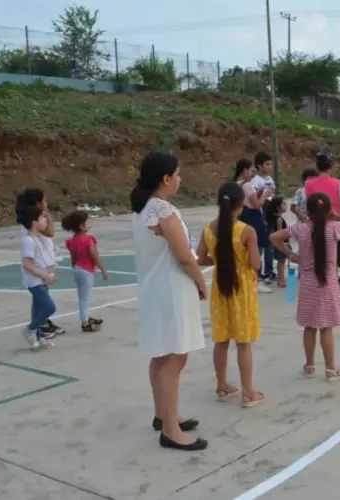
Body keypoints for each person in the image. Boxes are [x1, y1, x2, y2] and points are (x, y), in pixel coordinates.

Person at [131, 150, 207, 451]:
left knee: (162, 354)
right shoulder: (162, 209)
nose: (180, 179)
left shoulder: (143, 208)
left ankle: (164, 415)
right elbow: (184, 257)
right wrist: (202, 282)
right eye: (177, 174)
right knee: (176, 356)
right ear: (165, 178)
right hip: (172, 289)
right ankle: (171, 430)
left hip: (155, 288)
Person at [270, 193, 340, 381]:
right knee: (326, 327)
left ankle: (310, 364)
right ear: (328, 209)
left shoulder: (301, 228)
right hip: (327, 283)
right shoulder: (335, 227)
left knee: (310, 326)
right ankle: (330, 368)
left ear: (307, 210)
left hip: (308, 282)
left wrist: (291, 254)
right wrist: (336, 216)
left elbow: (274, 237)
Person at [197, 182, 266, 408]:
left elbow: (201, 259)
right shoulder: (246, 231)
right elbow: (255, 263)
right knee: (244, 343)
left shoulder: (208, 229)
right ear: (240, 205)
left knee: (222, 340)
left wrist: (218, 260)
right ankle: (248, 393)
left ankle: (222, 386)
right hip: (242, 289)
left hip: (220, 288)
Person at [16, 189, 65, 336]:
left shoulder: (35, 219)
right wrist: (47, 217)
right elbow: (50, 232)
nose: (47, 203)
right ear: (38, 203)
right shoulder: (35, 219)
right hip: (37, 269)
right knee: (44, 303)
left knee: (40, 298)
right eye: (45, 200)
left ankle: (38, 327)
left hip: (42, 265)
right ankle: (36, 326)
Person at [16, 204, 57, 350]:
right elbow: (27, 264)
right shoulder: (28, 241)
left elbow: (42, 260)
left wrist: (49, 273)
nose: (45, 221)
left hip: (41, 279)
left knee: (38, 309)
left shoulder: (37, 239)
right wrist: (45, 275)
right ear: (34, 223)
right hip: (34, 281)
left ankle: (39, 337)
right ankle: (30, 330)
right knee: (49, 307)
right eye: (42, 218)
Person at [61, 210, 109, 332]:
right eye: (88, 223)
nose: (90, 225)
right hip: (86, 270)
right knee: (84, 298)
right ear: (81, 226)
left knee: (83, 296)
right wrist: (103, 269)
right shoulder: (88, 240)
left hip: (77, 269)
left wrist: (74, 268)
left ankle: (86, 317)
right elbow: (94, 255)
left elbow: (73, 257)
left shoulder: (72, 241)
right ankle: (85, 323)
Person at [306, 152, 340, 283]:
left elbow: (308, 203)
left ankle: (317, 277)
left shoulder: (309, 184)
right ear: (331, 166)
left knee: (317, 251)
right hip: (333, 223)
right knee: (333, 253)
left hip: (315, 223)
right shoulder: (337, 183)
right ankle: (333, 278)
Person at [234, 158, 273, 293]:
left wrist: (257, 194)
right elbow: (256, 205)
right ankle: (255, 279)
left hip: (242, 218)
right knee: (255, 249)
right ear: (244, 170)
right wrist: (264, 195)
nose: (251, 173)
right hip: (253, 218)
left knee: (244, 249)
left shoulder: (235, 184)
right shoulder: (247, 185)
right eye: (250, 170)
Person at [250, 152, 277, 282]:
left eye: (270, 164)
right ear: (259, 166)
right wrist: (263, 197)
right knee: (259, 244)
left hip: (270, 214)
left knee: (270, 244)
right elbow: (254, 199)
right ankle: (257, 270)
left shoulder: (270, 180)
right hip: (261, 214)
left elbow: (273, 195)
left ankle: (269, 271)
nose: (269, 166)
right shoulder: (256, 181)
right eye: (267, 164)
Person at [264, 196, 289, 287]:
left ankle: (280, 279)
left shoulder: (273, 218)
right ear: (278, 207)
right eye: (283, 204)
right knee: (281, 262)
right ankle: (281, 280)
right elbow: (279, 234)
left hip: (276, 244)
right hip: (280, 244)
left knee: (281, 262)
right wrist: (285, 244)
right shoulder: (279, 219)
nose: (286, 206)